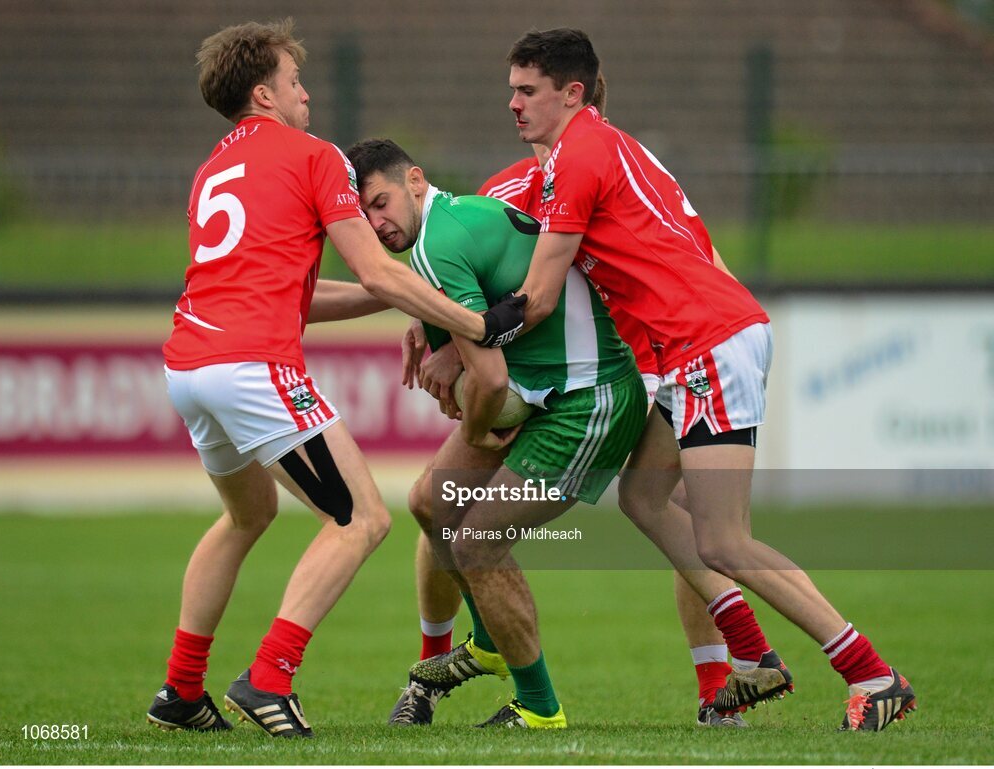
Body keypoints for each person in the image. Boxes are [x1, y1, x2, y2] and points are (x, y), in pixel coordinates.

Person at [497, 27, 915, 732]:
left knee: (725, 539)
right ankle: (754, 656)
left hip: (704, 343)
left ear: (571, 93)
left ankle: (873, 674)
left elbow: (535, 298)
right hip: (698, 341)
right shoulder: (608, 145)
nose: (511, 103)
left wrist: (455, 325)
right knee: (645, 494)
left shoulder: (578, 156)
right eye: (510, 88)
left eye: (526, 90)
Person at [145, 19, 526, 739]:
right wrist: (475, 323)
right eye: (294, 82)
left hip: (189, 365)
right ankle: (268, 677)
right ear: (264, 92)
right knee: (363, 519)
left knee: (246, 514)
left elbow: (312, 295)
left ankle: (181, 689)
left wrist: (396, 297)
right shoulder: (312, 156)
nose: (306, 94)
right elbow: (378, 266)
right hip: (253, 366)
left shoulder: (213, 170)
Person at [404, 73, 747, 728]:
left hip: (638, 366)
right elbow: (454, 274)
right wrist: (430, 326)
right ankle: (434, 669)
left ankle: (718, 687)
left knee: (683, 513)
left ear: (582, 107)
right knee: (435, 496)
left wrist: (725, 353)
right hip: (541, 375)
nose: (532, 114)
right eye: (523, 99)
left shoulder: (623, 172)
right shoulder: (505, 189)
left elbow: (703, 266)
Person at [346, 137, 648, 728]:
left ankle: (539, 710)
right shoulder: (455, 219)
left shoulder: (435, 244)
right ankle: (486, 642)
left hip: (591, 401)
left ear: (414, 181)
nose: (377, 224)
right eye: (363, 217)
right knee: (430, 503)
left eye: (380, 203)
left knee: (477, 543)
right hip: (546, 393)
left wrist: (480, 431)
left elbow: (487, 380)